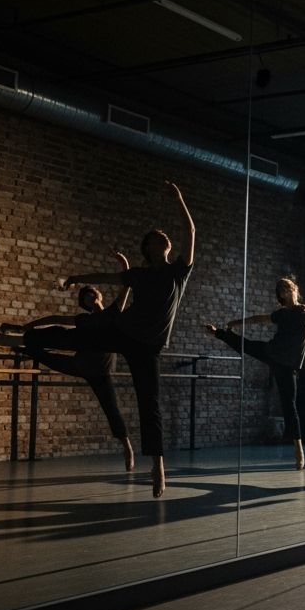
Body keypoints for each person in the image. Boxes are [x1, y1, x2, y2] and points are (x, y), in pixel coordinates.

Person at [37, 179, 195, 498]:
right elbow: (106, 277)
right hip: (124, 332)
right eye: (154, 237)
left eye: (162, 236)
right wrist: (73, 279)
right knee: (81, 334)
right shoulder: (139, 274)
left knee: (149, 404)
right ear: (149, 248)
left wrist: (179, 199)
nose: (161, 236)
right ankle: (31, 337)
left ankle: (158, 466)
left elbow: (191, 233)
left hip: (148, 347)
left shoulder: (178, 271)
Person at [0, 252, 135, 470]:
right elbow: (54, 319)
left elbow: (127, 284)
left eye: (91, 293)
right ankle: (21, 338)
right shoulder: (83, 319)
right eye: (85, 297)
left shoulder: (114, 312)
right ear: (84, 304)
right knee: (50, 342)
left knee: (111, 409)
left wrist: (124, 263)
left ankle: (128, 449)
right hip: (80, 363)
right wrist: (26, 326)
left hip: (101, 372)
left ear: (99, 295)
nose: (89, 297)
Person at [206, 277, 305, 470]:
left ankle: (299, 451)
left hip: (288, 365)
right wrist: (235, 323)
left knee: (289, 405)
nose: (287, 291)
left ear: (295, 289)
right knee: (247, 346)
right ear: (281, 296)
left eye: (289, 288)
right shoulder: (281, 313)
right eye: (282, 290)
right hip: (273, 353)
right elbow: (258, 319)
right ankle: (218, 332)